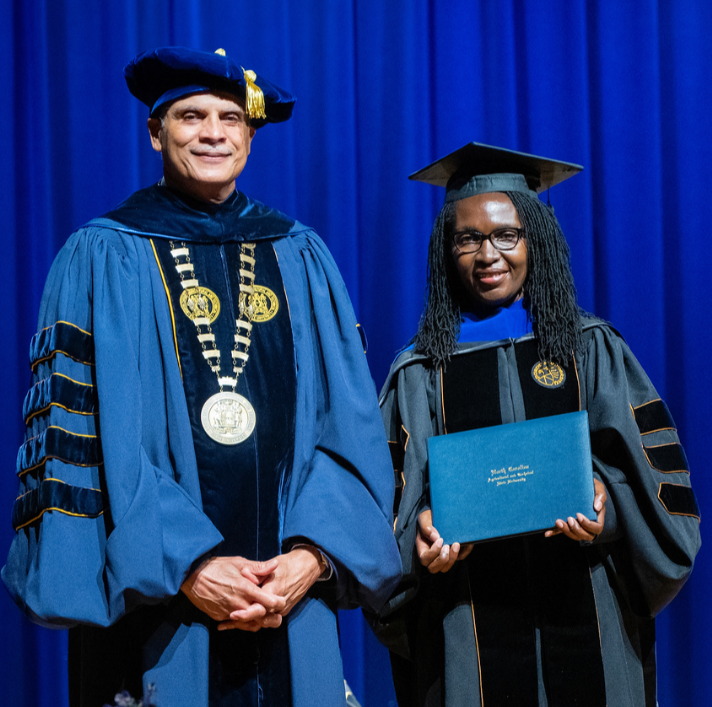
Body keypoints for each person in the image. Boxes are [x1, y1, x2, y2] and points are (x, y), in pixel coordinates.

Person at [2, 46, 401, 707]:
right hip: (155, 608)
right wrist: (186, 562)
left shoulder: (299, 254)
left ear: (250, 134)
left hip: (288, 600)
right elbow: (86, 444)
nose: (213, 132)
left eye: (230, 117)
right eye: (191, 116)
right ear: (155, 131)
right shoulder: (101, 255)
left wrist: (312, 555)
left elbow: (349, 424)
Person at [374, 143, 701, 707]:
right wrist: (421, 537)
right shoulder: (420, 371)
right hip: (467, 622)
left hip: (589, 608)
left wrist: (609, 507)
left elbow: (654, 480)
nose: (488, 255)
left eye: (507, 235)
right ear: (445, 251)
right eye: (467, 238)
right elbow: (388, 506)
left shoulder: (590, 347)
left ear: (537, 241)